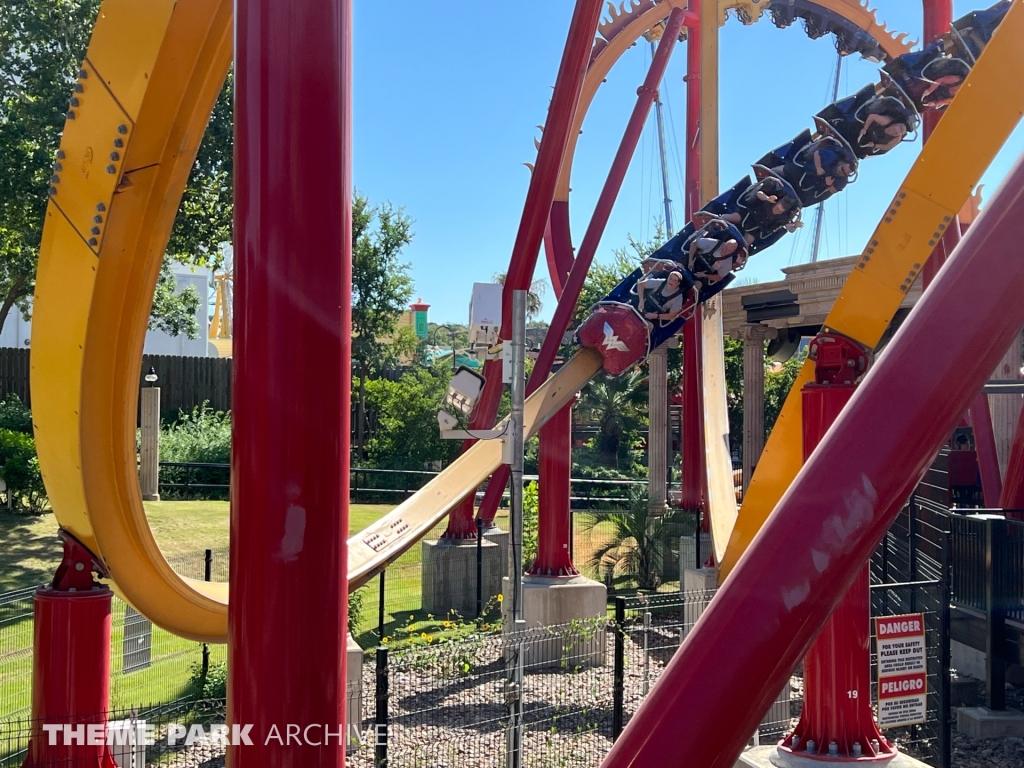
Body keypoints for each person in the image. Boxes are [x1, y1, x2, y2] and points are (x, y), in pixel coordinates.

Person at [721, 173, 802, 248]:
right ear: (776, 203)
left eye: (780, 211)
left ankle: (735, 254)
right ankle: (717, 221)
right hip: (748, 214)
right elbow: (759, 193)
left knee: (747, 243)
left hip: (756, 227)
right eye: (777, 208)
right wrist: (767, 198)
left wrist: (795, 226)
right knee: (732, 217)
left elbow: (790, 228)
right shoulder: (771, 198)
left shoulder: (783, 217)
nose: (778, 211)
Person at [777, 134, 857, 206]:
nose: (841, 172)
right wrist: (819, 168)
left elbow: (829, 191)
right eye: (842, 169)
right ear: (841, 163)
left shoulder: (842, 180)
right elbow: (817, 153)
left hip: (811, 187)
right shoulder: (832, 156)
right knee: (786, 169)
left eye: (845, 173)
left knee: (805, 200)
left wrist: (827, 185)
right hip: (805, 171)